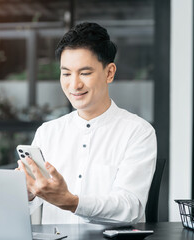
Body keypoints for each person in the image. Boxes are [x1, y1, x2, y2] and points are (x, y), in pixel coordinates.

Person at [17, 22, 157, 225]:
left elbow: (130, 207)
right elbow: (32, 203)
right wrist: (27, 192)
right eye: (66, 73)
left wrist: (70, 202)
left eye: (85, 73)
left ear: (109, 73)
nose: (74, 84)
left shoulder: (138, 132)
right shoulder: (47, 132)